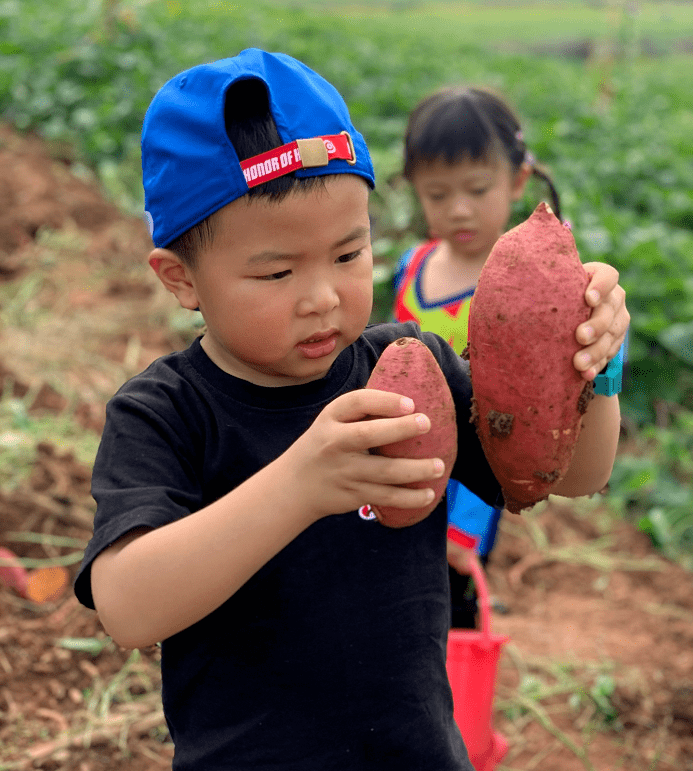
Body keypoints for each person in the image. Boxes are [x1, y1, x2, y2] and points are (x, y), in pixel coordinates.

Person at [74, 50, 627, 771]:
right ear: (180, 278)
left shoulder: (411, 364)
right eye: (277, 271)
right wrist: (298, 485)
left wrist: (589, 365)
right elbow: (127, 606)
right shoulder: (166, 412)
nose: (323, 296)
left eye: (348, 253)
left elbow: (570, 476)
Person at [393, 85, 626, 628]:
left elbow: (521, 430)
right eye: (436, 194)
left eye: (477, 188)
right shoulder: (412, 264)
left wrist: (464, 530)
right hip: (408, 463)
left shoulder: (534, 287)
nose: (459, 209)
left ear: (518, 180)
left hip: (476, 475)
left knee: (450, 601)